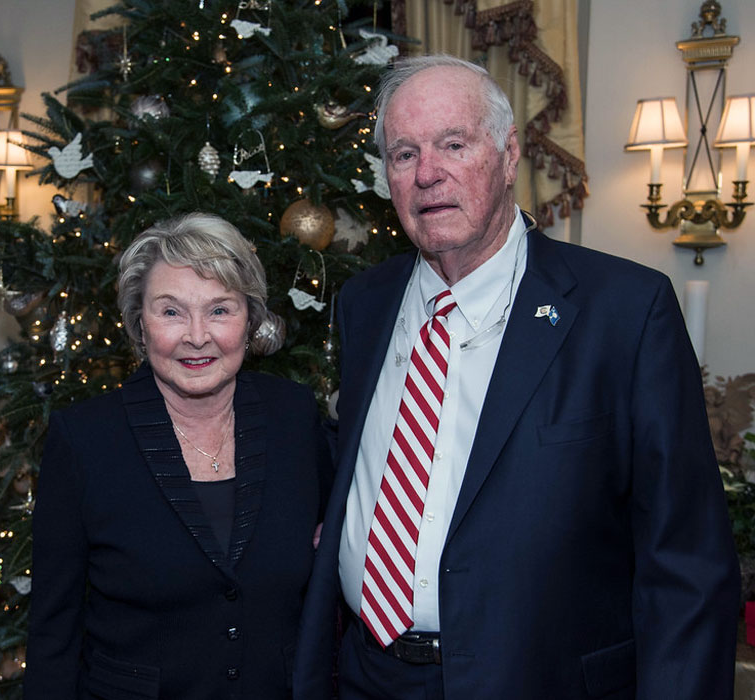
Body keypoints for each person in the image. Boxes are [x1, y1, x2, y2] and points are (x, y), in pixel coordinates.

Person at [293, 54, 739, 700]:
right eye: (403, 154)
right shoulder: (365, 303)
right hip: (367, 673)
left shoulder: (623, 311)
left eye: (453, 144)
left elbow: (688, 566)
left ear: (507, 156)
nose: (428, 175)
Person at [25, 212, 332, 699]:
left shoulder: (293, 417)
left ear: (250, 320)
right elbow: (53, 631)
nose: (196, 335)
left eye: (219, 310)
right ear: (139, 325)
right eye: (170, 312)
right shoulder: (84, 440)